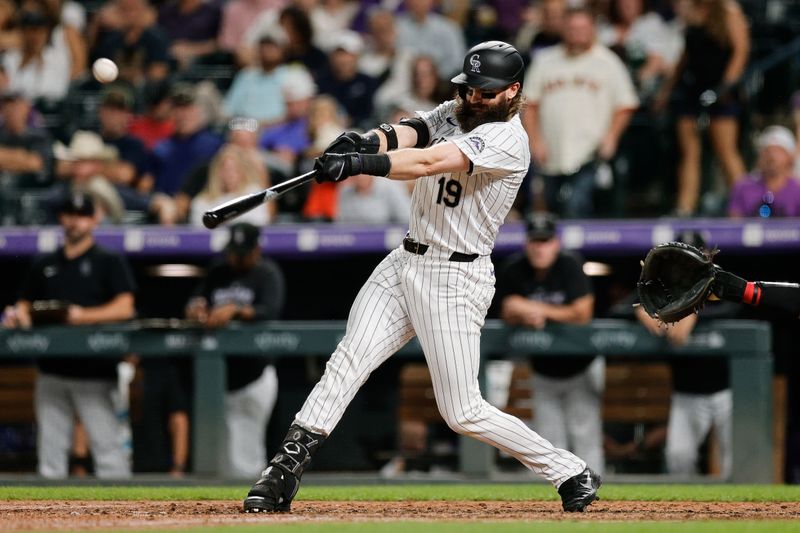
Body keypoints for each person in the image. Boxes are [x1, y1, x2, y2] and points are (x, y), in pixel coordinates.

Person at [243, 40, 601, 515]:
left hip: (456, 277)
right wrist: (364, 140)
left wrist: (359, 165)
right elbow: (412, 132)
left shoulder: (508, 140)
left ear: (513, 91)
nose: (473, 98)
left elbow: (430, 161)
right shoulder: (460, 108)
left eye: (486, 92)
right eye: (469, 89)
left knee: (463, 411)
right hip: (405, 260)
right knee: (348, 360)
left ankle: (568, 470)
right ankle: (282, 473)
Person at [1, 192, 136, 479]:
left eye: (82, 216)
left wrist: (81, 316)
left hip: (94, 370)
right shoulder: (45, 262)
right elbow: (25, 303)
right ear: (62, 218)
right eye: (70, 216)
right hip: (52, 369)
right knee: (51, 455)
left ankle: (123, 514)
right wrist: (19, 314)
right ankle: (52, 519)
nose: (75, 223)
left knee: (108, 450)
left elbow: (125, 306)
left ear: (94, 220)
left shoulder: (107, 260)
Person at [495, 212, 603, 474]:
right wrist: (522, 311)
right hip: (542, 370)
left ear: (556, 243)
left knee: (586, 439)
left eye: (545, 241)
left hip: (581, 367)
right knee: (550, 442)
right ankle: (560, 499)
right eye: (535, 241)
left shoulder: (569, 264)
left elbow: (583, 313)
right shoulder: (515, 268)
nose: (539, 247)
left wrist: (537, 309)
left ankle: (597, 497)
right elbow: (506, 309)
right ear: (526, 243)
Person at [186, 222, 285, 478]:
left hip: (255, 374)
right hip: (219, 376)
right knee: (219, 450)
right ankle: (222, 510)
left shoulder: (267, 273)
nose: (236, 258)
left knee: (246, 449)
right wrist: (196, 308)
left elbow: (269, 310)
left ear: (256, 249)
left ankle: (255, 502)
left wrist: (236, 310)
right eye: (233, 251)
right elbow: (198, 299)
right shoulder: (218, 271)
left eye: (242, 252)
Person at [634, 230, 735, 478]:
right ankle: (688, 513)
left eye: (695, 253)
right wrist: (641, 310)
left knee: (735, 460)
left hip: (729, 390)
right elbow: (618, 307)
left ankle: (737, 514)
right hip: (686, 391)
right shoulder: (665, 285)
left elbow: (737, 308)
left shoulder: (717, 278)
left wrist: (693, 312)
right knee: (678, 458)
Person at [522, 7, 638, 218]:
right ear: (563, 29)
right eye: (572, 28)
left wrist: (612, 136)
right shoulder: (545, 60)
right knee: (550, 210)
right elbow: (529, 104)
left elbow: (626, 104)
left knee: (576, 207)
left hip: (590, 154)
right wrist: (534, 140)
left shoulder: (608, 62)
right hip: (551, 152)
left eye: (582, 28)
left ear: (592, 29)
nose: (577, 34)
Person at [653, 0, 749, 216]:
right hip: (693, 91)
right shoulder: (690, 11)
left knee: (726, 151)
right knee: (689, 153)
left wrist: (725, 86)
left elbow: (741, 51)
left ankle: (745, 206)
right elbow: (686, 55)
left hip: (721, 92)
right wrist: (666, 91)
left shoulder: (728, 11)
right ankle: (685, 207)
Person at [727, 125, 800, 218]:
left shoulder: (797, 190)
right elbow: (734, 226)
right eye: (768, 151)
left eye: (779, 151)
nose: (772, 157)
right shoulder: (743, 188)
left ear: (790, 157)